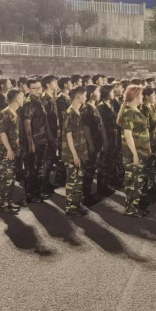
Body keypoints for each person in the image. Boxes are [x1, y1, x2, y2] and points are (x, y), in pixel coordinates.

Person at [118, 85, 150, 217]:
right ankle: (130, 209)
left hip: (141, 151)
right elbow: (128, 135)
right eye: (141, 95)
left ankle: (134, 206)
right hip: (133, 154)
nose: (142, 97)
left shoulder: (135, 110)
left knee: (139, 181)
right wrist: (135, 154)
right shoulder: (129, 113)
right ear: (135, 96)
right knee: (133, 181)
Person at [62, 86, 89, 216]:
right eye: (85, 95)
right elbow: (68, 136)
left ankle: (76, 204)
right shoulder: (69, 113)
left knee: (79, 179)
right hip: (73, 154)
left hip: (80, 151)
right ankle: (70, 207)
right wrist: (74, 154)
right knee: (72, 180)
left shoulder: (78, 111)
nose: (86, 98)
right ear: (78, 97)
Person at [0, 88, 24, 213]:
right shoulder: (5, 113)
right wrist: (9, 150)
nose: (23, 100)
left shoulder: (14, 113)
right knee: (6, 179)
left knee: (10, 178)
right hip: (5, 152)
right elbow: (2, 133)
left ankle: (8, 202)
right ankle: (4, 204)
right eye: (21, 98)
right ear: (17, 99)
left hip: (12, 150)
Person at [22, 77, 49, 203]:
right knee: (31, 169)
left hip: (43, 139)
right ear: (28, 89)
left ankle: (38, 192)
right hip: (34, 141)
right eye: (35, 88)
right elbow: (27, 124)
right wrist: (31, 142)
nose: (38, 90)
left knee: (40, 168)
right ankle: (30, 194)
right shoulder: (28, 104)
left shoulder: (41, 101)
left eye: (39, 87)